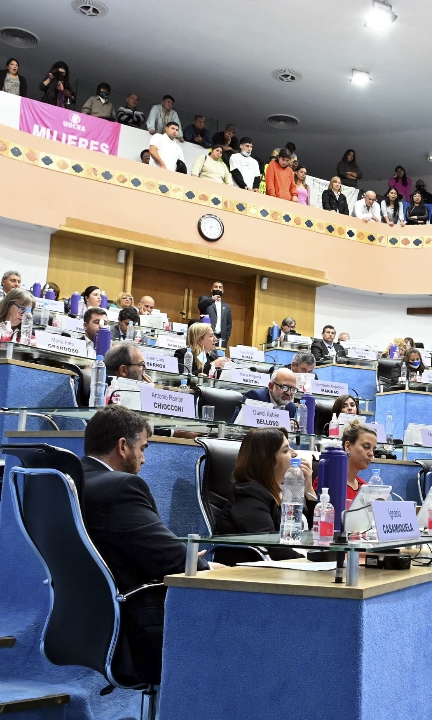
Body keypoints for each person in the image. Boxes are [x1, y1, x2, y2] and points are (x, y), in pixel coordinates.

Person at [80, 406, 218, 684]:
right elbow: (166, 556)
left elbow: (141, 544)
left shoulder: (72, 480)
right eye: (142, 448)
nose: (143, 459)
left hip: (83, 618)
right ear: (123, 447)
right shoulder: (120, 486)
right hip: (135, 623)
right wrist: (208, 566)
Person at [218, 427, 312, 561]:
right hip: (249, 576)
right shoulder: (249, 495)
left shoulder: (281, 490)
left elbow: (317, 529)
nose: (294, 453)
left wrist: (308, 489)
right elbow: (273, 549)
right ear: (266, 460)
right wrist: (311, 562)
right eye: (285, 450)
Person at [311, 421, 377, 506]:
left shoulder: (365, 488)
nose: (371, 453)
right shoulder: (327, 482)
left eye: (373, 449)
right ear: (348, 447)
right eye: (366, 447)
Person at [197, 280, 233, 349]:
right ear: (211, 289)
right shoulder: (205, 299)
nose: (218, 289)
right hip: (206, 336)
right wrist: (212, 299)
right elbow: (200, 306)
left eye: (220, 287)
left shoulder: (227, 307)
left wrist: (225, 338)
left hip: (220, 339)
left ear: (223, 291)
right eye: (216, 287)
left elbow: (229, 325)